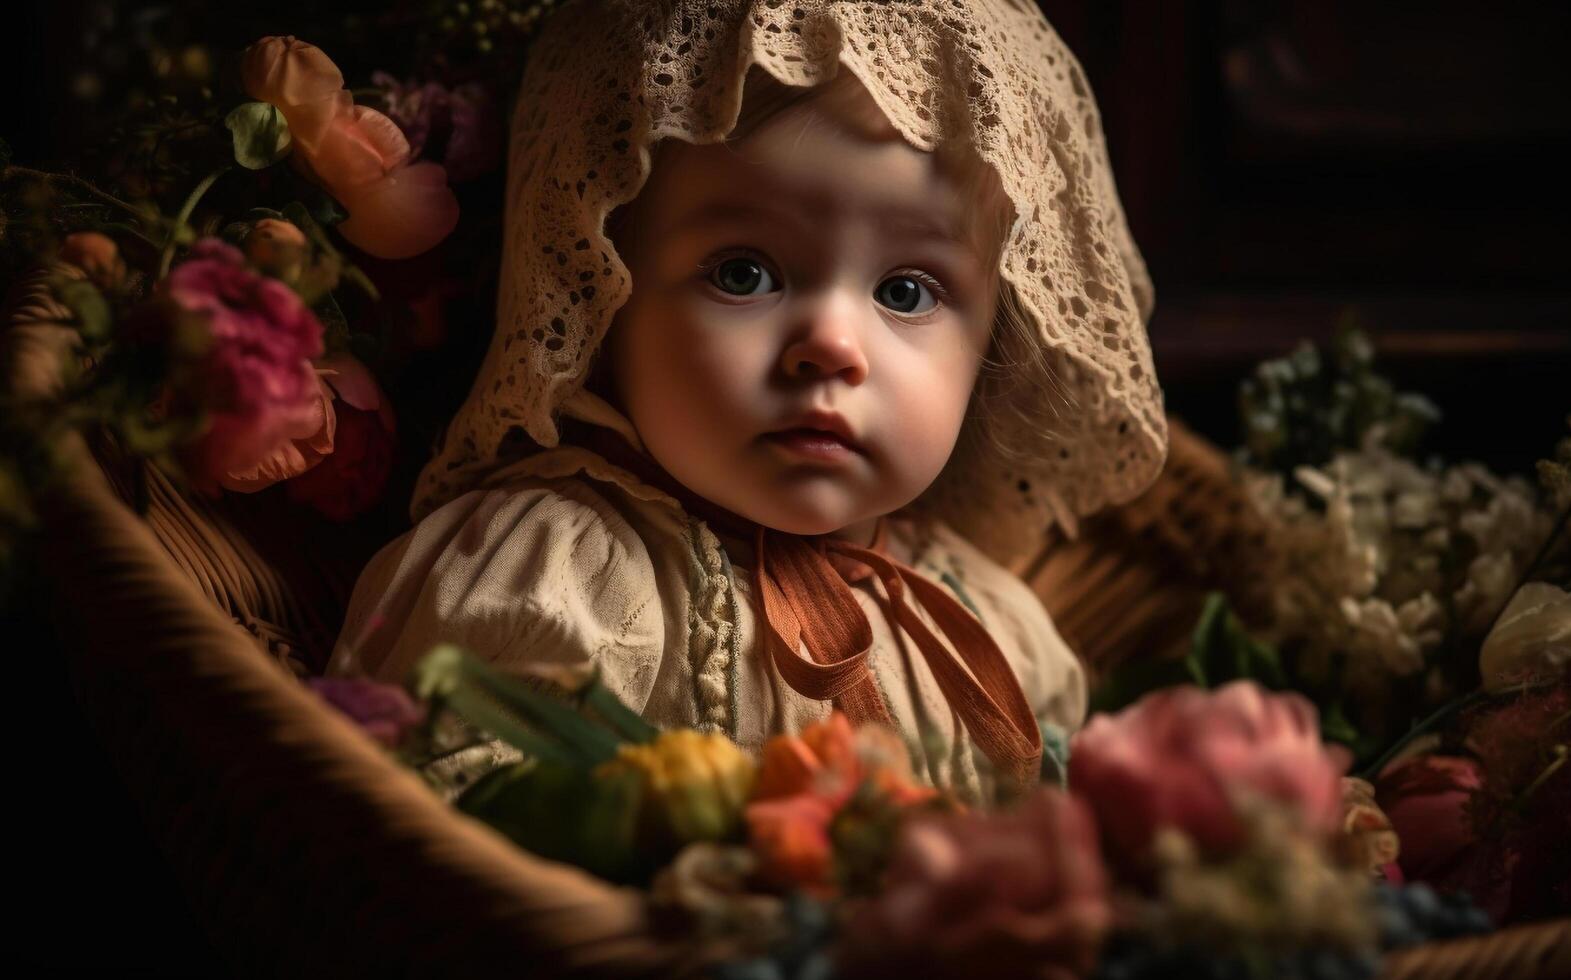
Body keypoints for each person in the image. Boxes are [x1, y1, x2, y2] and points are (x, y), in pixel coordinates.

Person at [330, 0, 1168, 804]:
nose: (832, 346)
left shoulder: (983, 627)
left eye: (907, 292)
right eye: (744, 274)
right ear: (596, 290)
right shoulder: (552, 579)